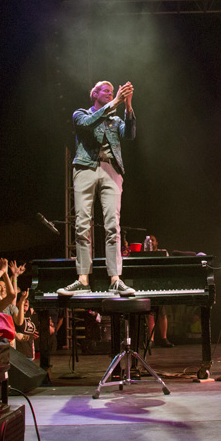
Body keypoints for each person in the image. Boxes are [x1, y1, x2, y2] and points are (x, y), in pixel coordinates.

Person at [59, 80, 137, 297]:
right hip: (86, 168)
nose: (110, 93)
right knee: (82, 223)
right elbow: (87, 125)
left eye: (112, 91)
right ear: (94, 93)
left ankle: (115, 279)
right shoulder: (81, 114)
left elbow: (129, 134)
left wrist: (128, 106)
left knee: (113, 224)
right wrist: (114, 102)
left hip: (111, 169)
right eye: (106, 90)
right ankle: (83, 278)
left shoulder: (114, 118)